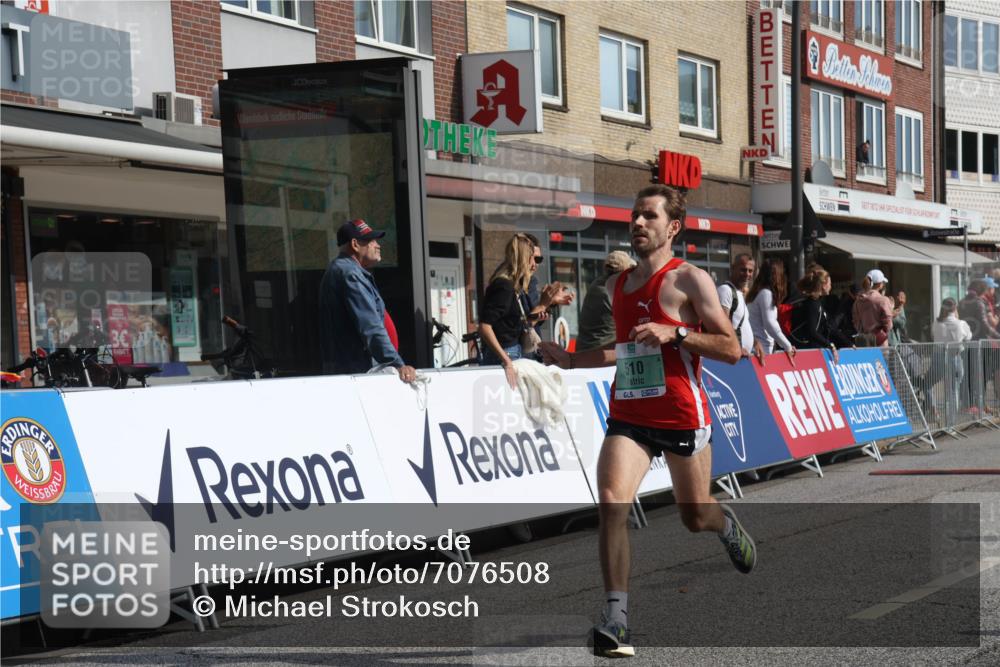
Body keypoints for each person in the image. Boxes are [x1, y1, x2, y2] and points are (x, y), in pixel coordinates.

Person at [537, 185, 751, 658]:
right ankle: (616, 622)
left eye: (648, 216)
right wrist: (570, 361)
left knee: (694, 515)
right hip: (630, 412)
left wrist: (676, 333)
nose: (637, 223)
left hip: (680, 414)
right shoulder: (616, 285)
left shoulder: (690, 280)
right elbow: (625, 350)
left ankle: (726, 524)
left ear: (672, 227)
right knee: (612, 501)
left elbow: (733, 348)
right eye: (634, 215)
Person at [318, 219, 418, 383]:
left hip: (352, 371)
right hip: (357, 373)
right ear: (355, 244)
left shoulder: (345, 271)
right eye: (371, 241)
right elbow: (370, 326)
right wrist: (398, 364)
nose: (377, 245)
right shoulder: (350, 274)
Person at [478, 233, 542, 389]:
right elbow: (485, 326)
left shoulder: (513, 285)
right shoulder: (504, 286)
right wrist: (506, 361)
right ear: (521, 259)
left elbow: (511, 323)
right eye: (531, 258)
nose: (534, 265)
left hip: (512, 352)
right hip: (504, 355)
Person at [576, 250, 636, 352]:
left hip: (583, 349)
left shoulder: (597, 284)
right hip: (601, 353)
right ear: (622, 273)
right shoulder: (610, 292)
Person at [789, 268, 852, 361]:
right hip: (803, 351)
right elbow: (812, 332)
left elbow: (830, 327)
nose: (831, 286)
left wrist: (848, 343)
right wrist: (830, 345)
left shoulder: (817, 302)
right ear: (823, 285)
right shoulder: (812, 304)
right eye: (829, 284)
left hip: (807, 350)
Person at [747, 258, 796, 363]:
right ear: (777, 275)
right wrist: (788, 346)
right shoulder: (766, 293)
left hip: (758, 348)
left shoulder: (758, 292)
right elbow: (770, 324)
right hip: (761, 350)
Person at [717, 254, 764, 363]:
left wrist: (755, 342)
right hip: (732, 358)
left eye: (750, 271)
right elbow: (721, 325)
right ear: (733, 268)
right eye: (743, 270)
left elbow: (739, 324)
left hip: (742, 357)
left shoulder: (738, 293)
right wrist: (737, 347)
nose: (747, 274)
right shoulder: (726, 290)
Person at [931, 298, 972, 422]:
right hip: (955, 356)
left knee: (934, 385)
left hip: (938, 357)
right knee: (954, 389)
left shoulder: (936, 323)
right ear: (955, 308)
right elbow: (968, 337)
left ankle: (936, 411)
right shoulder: (961, 324)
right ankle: (951, 421)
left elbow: (933, 336)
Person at [852, 269, 894, 347]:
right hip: (880, 341)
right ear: (880, 284)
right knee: (881, 359)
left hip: (864, 341)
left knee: (867, 359)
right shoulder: (883, 300)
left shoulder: (858, 300)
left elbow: (855, 321)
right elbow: (888, 324)